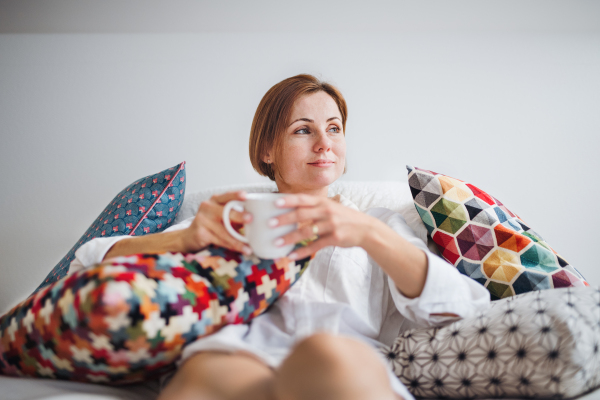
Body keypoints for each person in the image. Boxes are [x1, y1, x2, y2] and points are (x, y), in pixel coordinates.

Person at [71, 74, 491, 400]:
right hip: (236, 356)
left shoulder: (377, 223)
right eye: (303, 130)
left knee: (327, 356)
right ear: (268, 149)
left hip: (345, 361)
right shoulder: (229, 217)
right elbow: (89, 262)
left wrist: (367, 234)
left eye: (335, 128)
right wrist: (182, 240)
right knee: (211, 371)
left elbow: (463, 307)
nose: (325, 144)